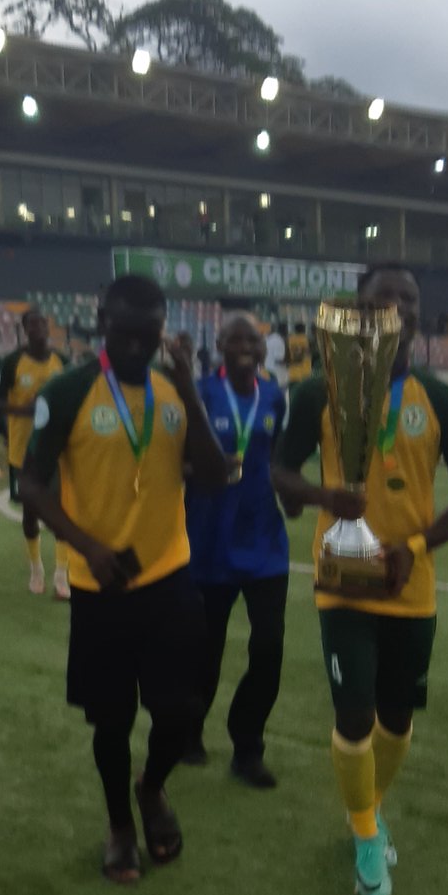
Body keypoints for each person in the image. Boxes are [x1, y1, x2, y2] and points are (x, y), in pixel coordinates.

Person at [273, 265, 448, 895]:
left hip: (407, 583)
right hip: (342, 577)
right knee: (354, 712)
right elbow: (280, 472)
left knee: (396, 720)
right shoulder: (319, 391)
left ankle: (366, 806)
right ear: (357, 313)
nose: (396, 306)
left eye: (408, 298)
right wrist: (323, 497)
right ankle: (367, 835)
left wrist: (415, 548)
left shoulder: (445, 402)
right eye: (381, 298)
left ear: (420, 315)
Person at [19, 274, 228, 883]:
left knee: (180, 711)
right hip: (99, 585)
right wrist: (86, 546)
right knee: (110, 720)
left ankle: (152, 786)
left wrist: (189, 390)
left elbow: (215, 475)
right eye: (125, 331)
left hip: (169, 577)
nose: (137, 344)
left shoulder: (174, 391)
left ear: (163, 330)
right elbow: (31, 483)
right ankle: (118, 826)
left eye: (149, 333)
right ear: (101, 323)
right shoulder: (67, 391)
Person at [185, 313, 291, 787]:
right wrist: (206, 469)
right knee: (204, 652)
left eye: (254, 339)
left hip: (265, 543)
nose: (246, 345)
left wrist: (294, 494)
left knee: (268, 648)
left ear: (264, 349)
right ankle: (189, 731)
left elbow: (280, 459)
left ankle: (248, 747)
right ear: (220, 345)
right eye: (236, 338)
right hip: (209, 542)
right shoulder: (200, 394)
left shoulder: (274, 396)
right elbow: (174, 462)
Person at [0, 309, 69, 597]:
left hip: (57, 450)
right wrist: (24, 410)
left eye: (42, 323)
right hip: (23, 449)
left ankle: (61, 575)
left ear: (49, 327)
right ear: (24, 330)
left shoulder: (62, 362)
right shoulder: (12, 362)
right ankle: (36, 569)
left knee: (62, 510)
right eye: (32, 325)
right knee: (30, 511)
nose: (38, 328)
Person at [286, 321, 312, 387]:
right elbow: (308, 352)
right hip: (305, 372)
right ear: (303, 330)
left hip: (293, 372)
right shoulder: (306, 339)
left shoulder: (289, 339)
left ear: (295, 330)